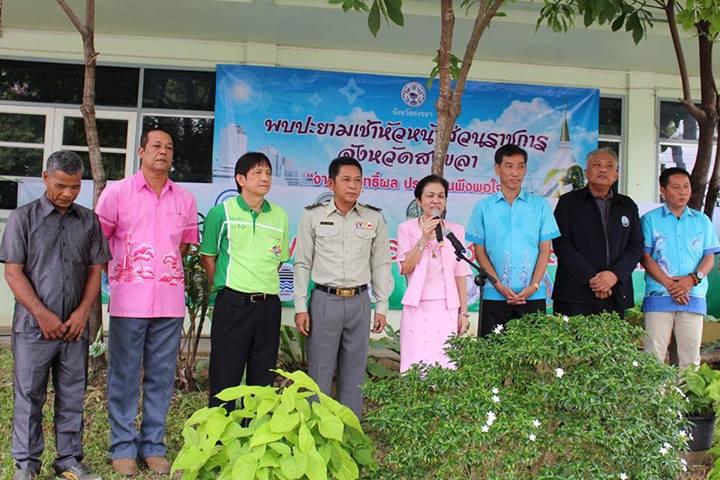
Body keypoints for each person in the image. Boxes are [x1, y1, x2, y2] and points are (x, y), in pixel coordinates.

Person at [0, 151, 111, 480]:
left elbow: (95, 272)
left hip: (74, 329)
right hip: (33, 328)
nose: (68, 193)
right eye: (61, 185)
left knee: (73, 395)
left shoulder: (89, 221)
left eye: (75, 186)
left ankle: (69, 460)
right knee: (29, 395)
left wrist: (82, 314)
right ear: (45, 177)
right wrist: (42, 315)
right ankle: (26, 464)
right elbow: (13, 273)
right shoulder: (23, 219)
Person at [95, 128, 199, 476]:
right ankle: (123, 447)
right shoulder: (117, 193)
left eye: (169, 147)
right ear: (141, 151)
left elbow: (183, 246)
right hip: (129, 302)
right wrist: (124, 274)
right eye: (156, 146)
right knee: (124, 377)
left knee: (161, 377)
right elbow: (100, 241)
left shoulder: (184, 199)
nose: (163, 152)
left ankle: (153, 446)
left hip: (169, 303)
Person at [294, 156, 393, 417]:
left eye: (358, 180)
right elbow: (302, 262)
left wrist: (382, 306)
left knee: (354, 371)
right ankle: (317, 428)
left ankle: (350, 429)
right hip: (325, 300)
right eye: (346, 180)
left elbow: (381, 263)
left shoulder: (374, 218)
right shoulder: (312, 216)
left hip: (360, 301)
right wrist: (300, 306)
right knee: (320, 370)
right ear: (331, 183)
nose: (353, 186)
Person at [200, 152, 289, 410]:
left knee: (262, 377)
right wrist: (227, 285)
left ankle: (254, 429)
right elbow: (208, 257)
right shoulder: (221, 213)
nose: (265, 178)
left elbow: (279, 260)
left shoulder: (280, 216)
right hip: (233, 304)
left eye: (268, 173)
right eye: (257, 173)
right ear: (241, 179)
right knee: (225, 375)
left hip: (268, 306)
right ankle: (220, 431)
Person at [466, 144, 560, 336]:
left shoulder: (540, 206)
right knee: (492, 350)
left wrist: (533, 286)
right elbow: (480, 252)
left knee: (532, 351)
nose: (515, 172)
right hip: (494, 295)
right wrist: (498, 285)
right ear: (497, 168)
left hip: (532, 295)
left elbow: (545, 251)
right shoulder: (483, 207)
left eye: (520, 166)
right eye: (509, 166)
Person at [641, 167, 720, 368]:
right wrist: (671, 285)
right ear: (663, 190)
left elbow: (709, 257)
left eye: (686, 187)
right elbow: (645, 257)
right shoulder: (650, 219)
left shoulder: (702, 220)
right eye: (676, 187)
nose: (682, 192)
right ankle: (655, 391)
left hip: (693, 295)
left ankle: (686, 391)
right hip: (659, 295)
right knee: (653, 357)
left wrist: (692, 280)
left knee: (690, 359)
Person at [552, 147, 643, 317]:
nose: (603, 170)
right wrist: (593, 279)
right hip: (574, 295)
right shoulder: (568, 202)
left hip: (615, 292)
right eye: (597, 165)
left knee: (612, 336)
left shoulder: (627, 205)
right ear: (586, 172)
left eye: (609, 166)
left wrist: (613, 276)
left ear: (616, 174)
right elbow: (561, 244)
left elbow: (636, 246)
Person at [396, 175, 471, 372]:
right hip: (417, 307)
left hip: (447, 308)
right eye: (430, 196)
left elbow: (460, 273)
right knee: (416, 365)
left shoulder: (455, 230)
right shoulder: (406, 229)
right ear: (419, 200)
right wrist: (423, 239)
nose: (436, 200)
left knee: (445, 365)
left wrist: (463, 312)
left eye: (441, 196)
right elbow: (405, 267)